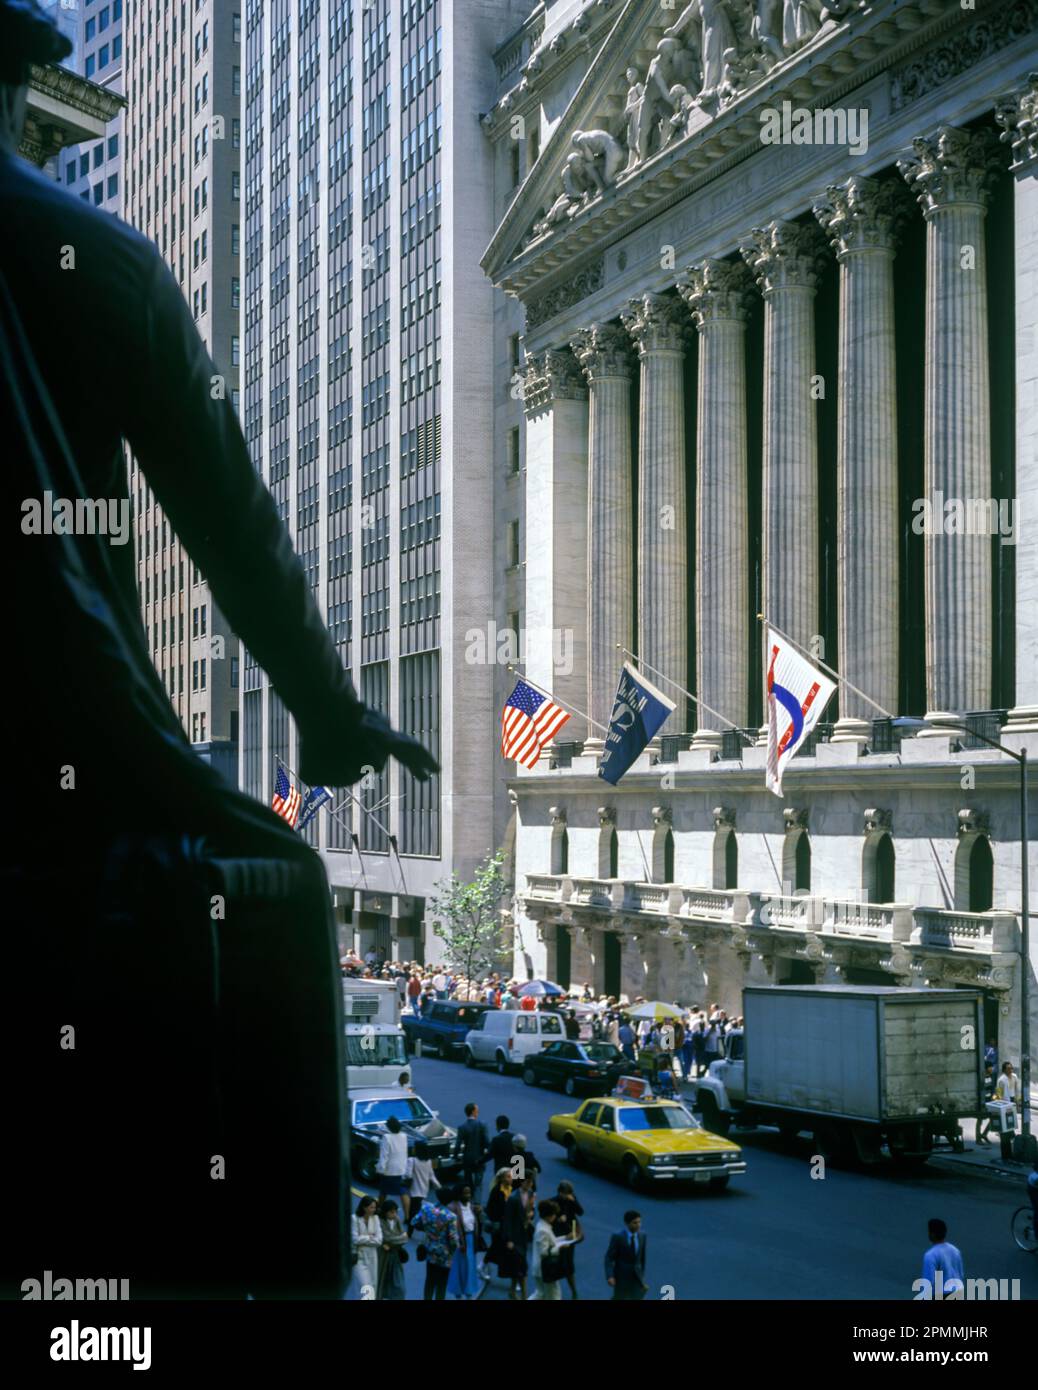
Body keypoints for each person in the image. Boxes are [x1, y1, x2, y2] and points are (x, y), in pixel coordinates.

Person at [0, 0, 439, 1302]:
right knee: (280, 878)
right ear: (25, 90)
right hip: (56, 737)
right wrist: (329, 711)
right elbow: (231, 515)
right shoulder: (95, 255)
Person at [411, 1193, 461, 1301]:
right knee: (441, 1283)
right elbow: (453, 1239)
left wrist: (429, 1230)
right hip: (445, 1254)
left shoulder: (426, 1208)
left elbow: (414, 1222)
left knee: (429, 1280)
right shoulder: (450, 1216)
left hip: (429, 1248)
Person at [501, 1173, 536, 1300]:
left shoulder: (531, 1194)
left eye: (531, 1182)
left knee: (518, 1265)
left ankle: (512, 1290)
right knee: (522, 1266)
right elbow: (508, 1220)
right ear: (521, 1182)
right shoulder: (513, 1198)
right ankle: (524, 1295)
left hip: (524, 1235)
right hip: (515, 1236)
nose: (530, 1184)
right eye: (527, 1182)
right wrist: (509, 1239)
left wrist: (531, 1214)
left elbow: (532, 1212)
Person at [446, 1184, 484, 1300]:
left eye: (469, 1193)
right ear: (459, 1194)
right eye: (465, 1193)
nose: (468, 1195)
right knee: (459, 1267)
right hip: (460, 1240)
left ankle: (468, 1291)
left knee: (470, 1266)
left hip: (471, 1239)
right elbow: (452, 1227)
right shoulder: (453, 1207)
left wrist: (479, 1213)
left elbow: (476, 1223)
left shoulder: (471, 1206)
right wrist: (459, 1243)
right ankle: (458, 1293)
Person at [605, 1211, 648, 1301]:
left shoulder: (642, 1236)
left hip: (637, 1277)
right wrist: (610, 1276)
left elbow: (642, 1258)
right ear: (627, 1223)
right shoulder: (618, 1237)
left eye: (640, 1222)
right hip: (622, 1278)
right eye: (635, 1223)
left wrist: (642, 1276)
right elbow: (609, 1258)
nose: (638, 1225)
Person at [553, 1180, 584, 1300]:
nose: (568, 1196)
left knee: (569, 1264)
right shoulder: (553, 1202)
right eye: (566, 1194)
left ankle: (574, 1291)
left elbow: (580, 1212)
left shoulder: (571, 1199)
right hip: (559, 1234)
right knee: (559, 1262)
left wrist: (574, 1201)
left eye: (570, 1194)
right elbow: (547, 1218)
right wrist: (558, 1219)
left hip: (571, 1232)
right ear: (560, 1193)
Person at [454, 1101, 490, 1202]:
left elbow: (458, 1145)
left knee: (468, 1183)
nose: (478, 1112)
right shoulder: (482, 1125)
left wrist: (455, 1156)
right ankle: (477, 1203)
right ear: (473, 1111)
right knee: (478, 1184)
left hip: (467, 1158)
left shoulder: (462, 1127)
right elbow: (487, 1142)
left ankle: (468, 1202)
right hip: (480, 1158)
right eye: (477, 1110)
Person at [920, 1218, 964, 1299]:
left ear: (932, 1234)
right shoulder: (955, 1250)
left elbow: (929, 1281)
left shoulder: (931, 1255)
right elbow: (961, 1274)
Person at [376, 1114, 410, 1215]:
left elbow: (384, 1155)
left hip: (389, 1170)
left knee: (383, 1191)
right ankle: (407, 1216)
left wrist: (380, 1169)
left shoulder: (387, 1137)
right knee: (403, 1192)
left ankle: (379, 1210)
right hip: (401, 1169)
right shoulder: (404, 1136)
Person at [529, 1199, 563, 1301]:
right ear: (548, 1215)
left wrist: (565, 1238)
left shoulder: (542, 1226)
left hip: (541, 1269)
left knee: (541, 1294)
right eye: (554, 1214)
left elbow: (550, 1242)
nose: (555, 1216)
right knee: (553, 1296)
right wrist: (560, 1247)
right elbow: (544, 1252)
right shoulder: (543, 1230)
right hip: (544, 1269)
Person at [350, 1196, 383, 1300]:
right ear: (364, 1207)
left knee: (372, 1285)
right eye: (371, 1207)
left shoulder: (376, 1218)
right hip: (359, 1257)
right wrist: (370, 1237)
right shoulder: (354, 1218)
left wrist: (363, 1238)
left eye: (374, 1207)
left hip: (372, 1257)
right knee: (364, 1285)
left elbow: (379, 1240)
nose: (373, 1210)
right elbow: (354, 1239)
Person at [484, 1168, 513, 1282]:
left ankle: (484, 1265)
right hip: (498, 1224)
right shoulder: (497, 1191)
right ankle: (483, 1265)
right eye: (508, 1176)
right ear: (501, 1178)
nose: (511, 1179)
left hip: (505, 1223)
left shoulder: (509, 1189)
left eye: (511, 1176)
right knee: (497, 1245)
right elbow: (493, 1208)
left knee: (497, 1246)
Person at [376, 1199, 409, 1301]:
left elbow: (405, 1238)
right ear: (385, 1212)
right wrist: (399, 1238)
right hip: (383, 1256)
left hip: (395, 1256)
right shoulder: (380, 1221)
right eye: (391, 1212)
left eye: (395, 1211)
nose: (394, 1214)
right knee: (381, 1281)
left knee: (399, 1284)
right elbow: (386, 1237)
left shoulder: (397, 1220)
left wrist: (392, 1243)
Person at [406, 1140, 441, 1210]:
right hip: (424, 1192)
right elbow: (432, 1176)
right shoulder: (428, 1161)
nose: (413, 1149)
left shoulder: (411, 1160)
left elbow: (408, 1175)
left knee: (412, 1212)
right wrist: (439, 1187)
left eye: (414, 1148)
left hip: (413, 1192)